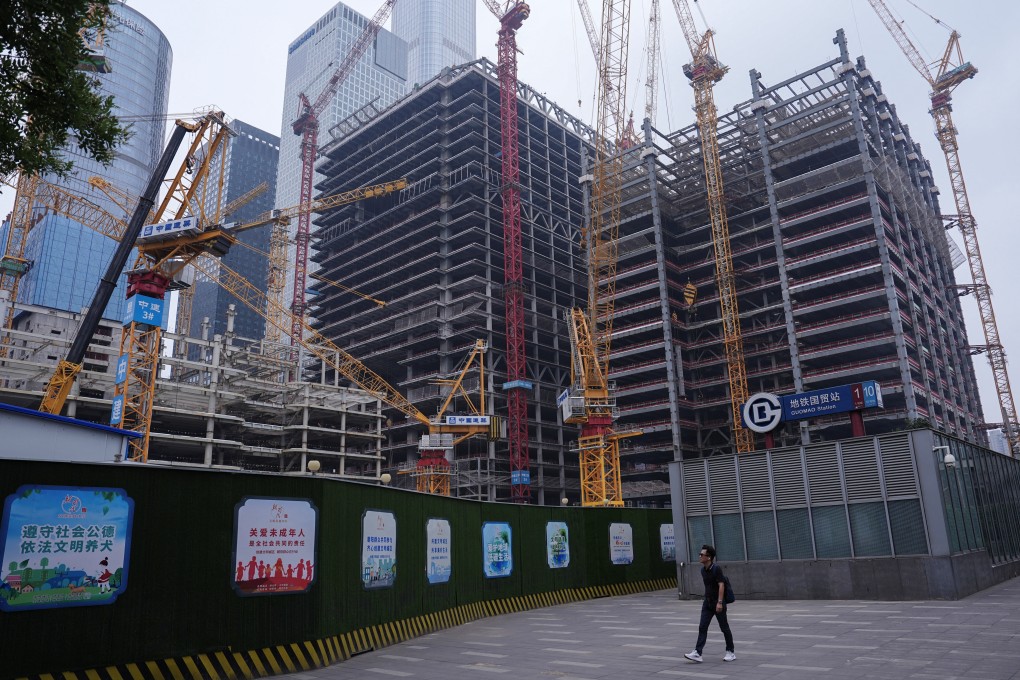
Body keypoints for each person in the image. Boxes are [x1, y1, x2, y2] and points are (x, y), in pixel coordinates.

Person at [684, 545, 735, 663]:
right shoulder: (703, 570)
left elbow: (721, 585)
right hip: (707, 603)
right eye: (700, 554)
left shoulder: (716, 569)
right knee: (702, 627)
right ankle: (697, 653)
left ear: (709, 557)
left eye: (702, 555)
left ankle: (730, 652)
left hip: (718, 603)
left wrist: (720, 602)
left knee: (724, 628)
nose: (700, 556)